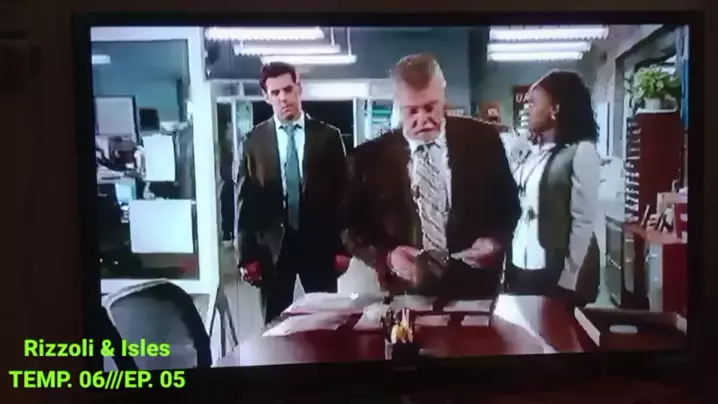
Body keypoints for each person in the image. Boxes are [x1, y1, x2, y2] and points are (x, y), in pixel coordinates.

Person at [340, 54, 520, 297]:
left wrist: (496, 241)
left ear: (443, 96)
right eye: (412, 111)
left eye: (430, 107)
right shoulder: (370, 156)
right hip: (404, 291)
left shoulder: (484, 140)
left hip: (476, 287)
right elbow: (351, 227)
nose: (422, 119)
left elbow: (509, 207)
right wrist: (387, 257)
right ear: (397, 104)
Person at [236, 62, 348, 324]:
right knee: (275, 324)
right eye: (275, 92)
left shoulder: (328, 137)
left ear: (299, 88)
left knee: (325, 322)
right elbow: (244, 200)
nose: (283, 98)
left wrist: (345, 247)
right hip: (273, 248)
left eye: (288, 89)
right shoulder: (253, 142)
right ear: (266, 97)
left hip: (318, 245)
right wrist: (246, 255)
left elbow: (343, 195)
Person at [504, 69, 601, 306]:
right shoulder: (532, 153)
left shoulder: (580, 152)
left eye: (533, 103)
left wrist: (569, 278)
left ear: (555, 109)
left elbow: (583, 223)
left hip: (554, 269)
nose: (527, 109)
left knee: (553, 326)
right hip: (520, 264)